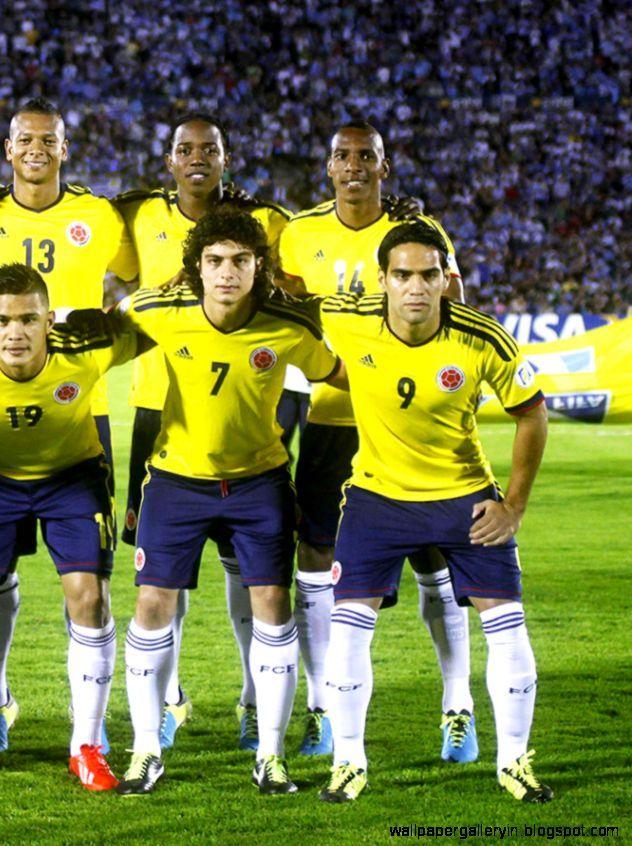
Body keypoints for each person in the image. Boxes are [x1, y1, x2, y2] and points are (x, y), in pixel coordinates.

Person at [315, 221, 550, 804]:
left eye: (429, 275)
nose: (416, 287)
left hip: (465, 497)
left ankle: (514, 763)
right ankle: (348, 762)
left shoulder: (481, 336)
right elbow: (280, 307)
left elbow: (532, 413)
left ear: (448, 279)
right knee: (347, 632)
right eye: (402, 275)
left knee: (507, 626)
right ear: (383, 280)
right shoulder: (348, 318)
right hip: (376, 498)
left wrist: (513, 505)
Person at [114, 210, 340, 795]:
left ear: (259, 266)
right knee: (152, 607)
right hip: (175, 481)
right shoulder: (159, 310)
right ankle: (144, 750)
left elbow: (341, 373)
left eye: (240, 260)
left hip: (258, 482)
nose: (227, 272)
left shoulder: (287, 326)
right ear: (196, 268)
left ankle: (270, 755)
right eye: (214, 260)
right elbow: (103, 331)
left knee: (271, 601)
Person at [277, 120, 476, 761]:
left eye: (368, 156)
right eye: (343, 155)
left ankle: (458, 709)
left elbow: (459, 311)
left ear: (384, 168)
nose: (354, 165)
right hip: (331, 417)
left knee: (434, 560)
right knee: (316, 558)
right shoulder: (299, 233)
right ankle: (321, 711)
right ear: (328, 167)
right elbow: (281, 308)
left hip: (411, 421)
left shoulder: (419, 234)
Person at [0, 96, 137, 751]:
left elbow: (144, 275)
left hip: (84, 418)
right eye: (24, 139)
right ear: (6, 148)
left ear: (64, 147)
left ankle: (100, 724)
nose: (35, 150)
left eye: (47, 140)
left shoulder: (98, 214)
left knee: (88, 583)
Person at [0, 263, 136, 790]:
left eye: (29, 319)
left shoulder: (85, 347)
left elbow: (158, 320)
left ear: (50, 321)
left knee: (90, 599)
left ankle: (87, 743)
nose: (15, 332)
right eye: (3, 320)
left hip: (73, 479)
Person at [114, 112, 291, 751]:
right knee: (159, 572)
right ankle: (168, 698)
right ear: (168, 159)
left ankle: (253, 697)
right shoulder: (133, 215)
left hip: (243, 417)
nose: (197, 158)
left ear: (225, 157)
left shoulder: (265, 222)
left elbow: (294, 298)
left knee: (251, 574)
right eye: (184, 148)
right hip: (155, 415)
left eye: (208, 149)